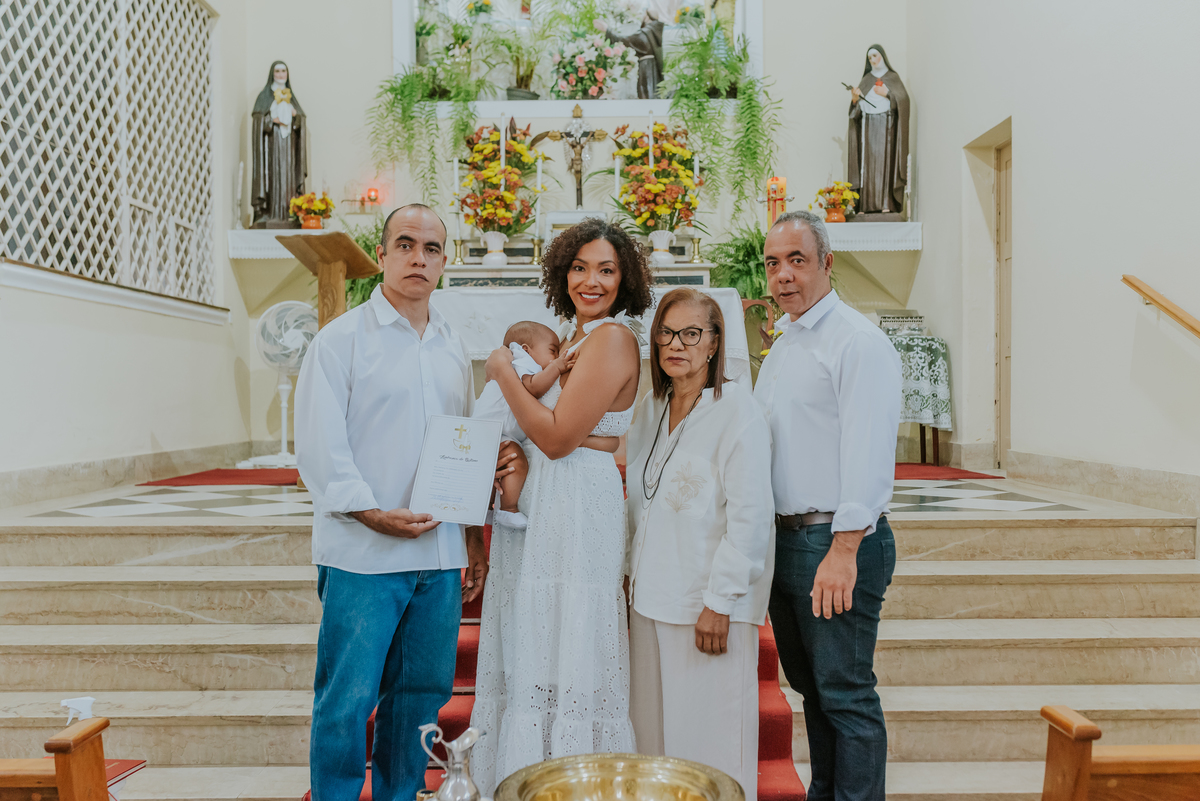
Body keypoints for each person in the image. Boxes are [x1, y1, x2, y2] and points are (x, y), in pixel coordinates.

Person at [296, 204, 514, 801]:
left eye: (432, 248)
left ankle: (400, 794)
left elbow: (462, 445)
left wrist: (471, 536)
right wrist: (372, 513)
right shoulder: (339, 341)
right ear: (384, 254)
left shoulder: (450, 345)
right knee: (347, 699)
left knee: (420, 697)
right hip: (363, 554)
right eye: (406, 245)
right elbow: (319, 446)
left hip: (439, 556)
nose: (419, 258)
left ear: (445, 261)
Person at [469, 218, 654, 794]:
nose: (591, 280)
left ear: (625, 280)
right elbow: (546, 434)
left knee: (570, 634)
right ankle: (527, 777)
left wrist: (501, 372)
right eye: (579, 267)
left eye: (606, 270)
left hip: (578, 504)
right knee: (534, 634)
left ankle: (573, 779)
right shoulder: (569, 339)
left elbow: (553, 437)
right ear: (561, 272)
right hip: (545, 498)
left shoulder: (612, 338)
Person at [754, 210, 901, 801]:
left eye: (797, 260)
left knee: (845, 693)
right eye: (773, 263)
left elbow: (868, 453)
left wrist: (844, 550)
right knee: (815, 691)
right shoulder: (790, 341)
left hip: (835, 542)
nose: (784, 275)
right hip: (789, 541)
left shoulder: (856, 341)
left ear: (827, 263)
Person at [624, 288, 775, 798]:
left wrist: (720, 601)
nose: (677, 344)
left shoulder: (737, 412)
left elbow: (751, 520)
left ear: (714, 343)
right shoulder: (651, 407)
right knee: (656, 747)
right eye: (667, 332)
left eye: (692, 333)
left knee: (708, 752)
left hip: (704, 608)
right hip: (649, 602)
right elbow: (640, 502)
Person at [472, 321, 619, 527]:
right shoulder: (519, 360)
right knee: (516, 462)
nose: (556, 356)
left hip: (499, 432)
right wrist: (557, 366)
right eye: (552, 351)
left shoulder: (519, 362)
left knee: (505, 466)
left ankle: (487, 509)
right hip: (492, 430)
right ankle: (508, 508)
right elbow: (533, 387)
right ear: (526, 349)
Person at [847, 45, 910, 217]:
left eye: (875, 56)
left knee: (886, 164)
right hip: (867, 128)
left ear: (882, 56)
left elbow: (903, 101)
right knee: (866, 166)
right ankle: (865, 205)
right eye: (869, 58)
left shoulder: (892, 77)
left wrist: (888, 93)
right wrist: (854, 100)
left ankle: (886, 203)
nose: (872, 60)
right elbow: (856, 114)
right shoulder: (866, 79)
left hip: (887, 127)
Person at [251, 61, 308, 227]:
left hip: (289, 147)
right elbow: (258, 120)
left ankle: (290, 213)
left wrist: (296, 116)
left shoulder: (291, 97)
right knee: (273, 175)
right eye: (277, 71)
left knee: (287, 177)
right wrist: (270, 121)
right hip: (272, 146)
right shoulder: (265, 96)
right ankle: (269, 212)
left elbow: (300, 120)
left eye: (284, 71)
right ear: (272, 74)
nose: (281, 74)